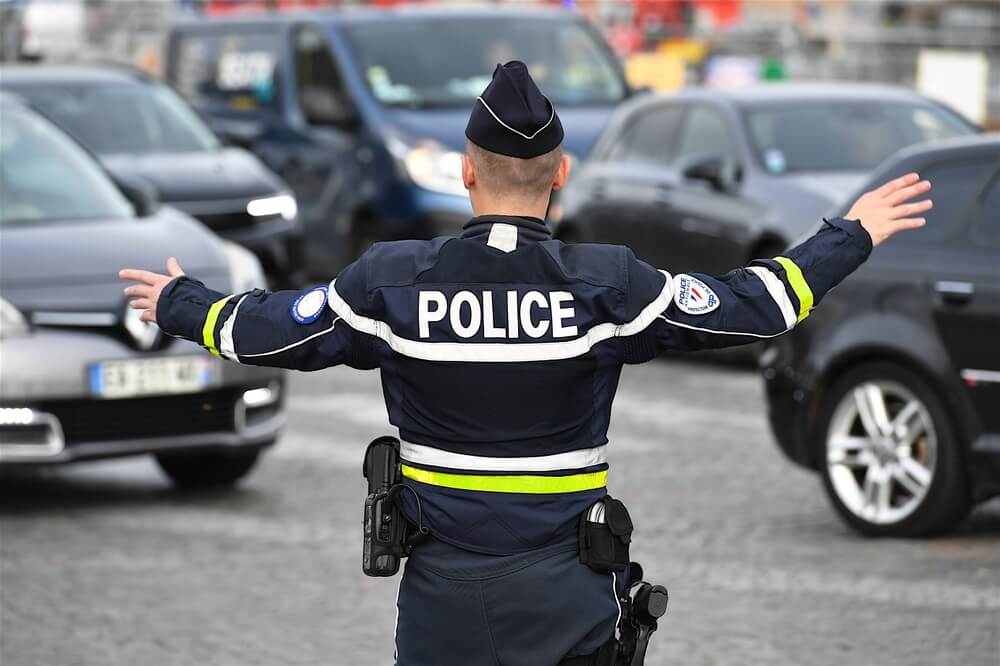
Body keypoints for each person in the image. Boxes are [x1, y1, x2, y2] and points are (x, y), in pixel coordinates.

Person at [121, 62, 932, 665]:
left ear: (465, 171)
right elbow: (757, 303)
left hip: (442, 599)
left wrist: (180, 303)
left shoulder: (393, 282)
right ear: (562, 176)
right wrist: (849, 233)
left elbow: (272, 333)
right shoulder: (608, 284)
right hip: (567, 597)